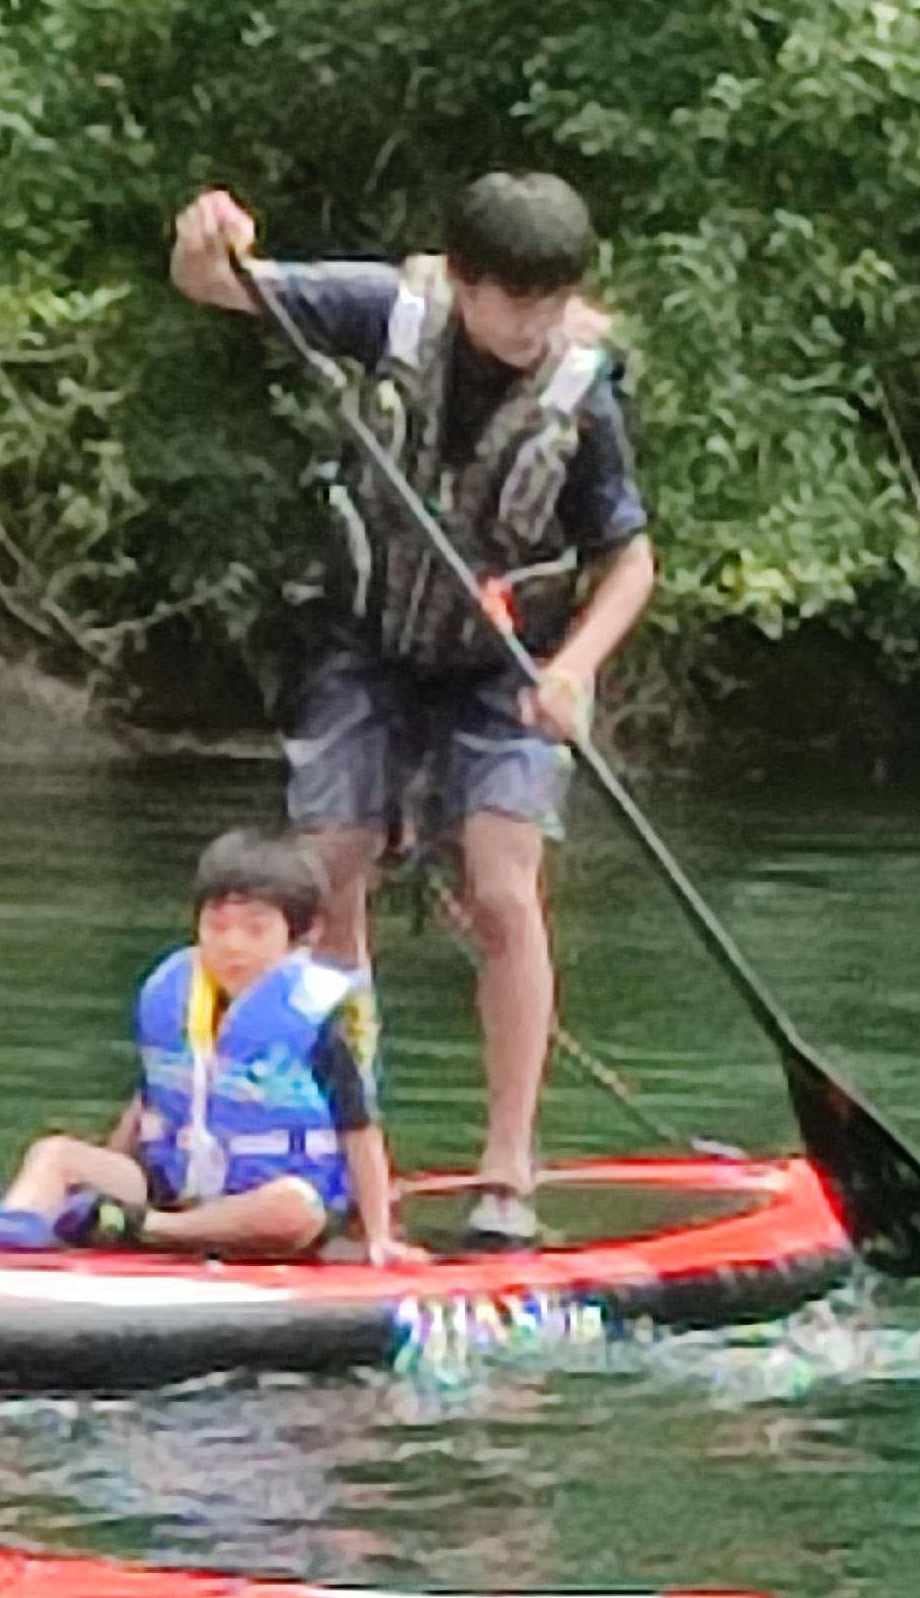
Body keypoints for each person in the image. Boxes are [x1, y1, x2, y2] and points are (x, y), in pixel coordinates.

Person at [171, 171, 657, 1252]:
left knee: (501, 889)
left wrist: (572, 669)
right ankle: (353, 1168)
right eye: (511, 301)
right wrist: (209, 237)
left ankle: (506, 1173)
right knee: (327, 871)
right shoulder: (382, 310)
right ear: (465, 283)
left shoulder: (583, 393)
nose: (530, 325)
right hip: (370, 648)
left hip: (502, 668)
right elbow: (211, 284)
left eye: (550, 301)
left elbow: (630, 562)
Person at [0, 827, 405, 1262]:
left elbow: (360, 1133)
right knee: (56, 1151)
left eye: (255, 929)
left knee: (292, 1208)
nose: (232, 945)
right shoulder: (179, 1001)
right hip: (174, 1185)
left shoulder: (316, 1022)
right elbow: (150, 1099)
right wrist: (101, 1173)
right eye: (216, 926)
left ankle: (145, 1230)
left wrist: (379, 1233)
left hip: (267, 1204)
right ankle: (19, 1224)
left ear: (301, 936)